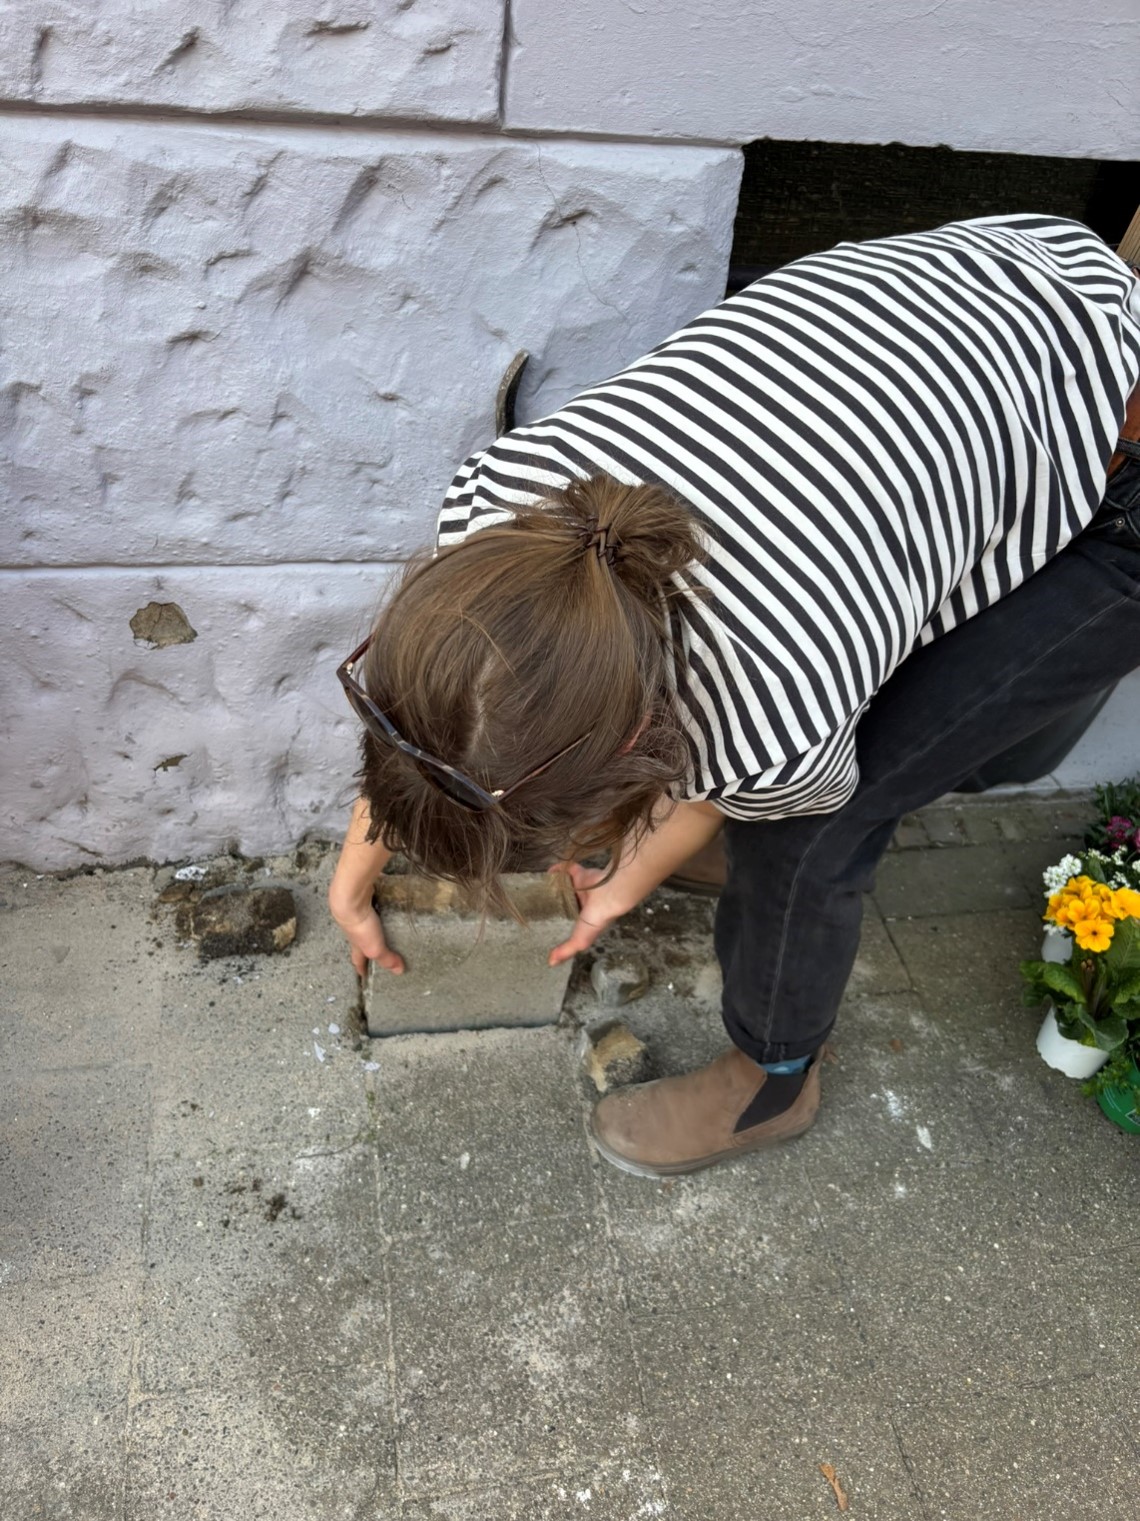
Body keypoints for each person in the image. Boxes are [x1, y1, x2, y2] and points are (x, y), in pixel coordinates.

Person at [328, 214, 1140, 1178]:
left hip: (1103, 456)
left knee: (810, 836)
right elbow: (437, 719)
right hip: (996, 287)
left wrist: (626, 880)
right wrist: (352, 877)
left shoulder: (774, 713)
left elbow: (744, 771)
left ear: (640, 749)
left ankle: (775, 1081)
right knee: (761, 799)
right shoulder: (491, 506)